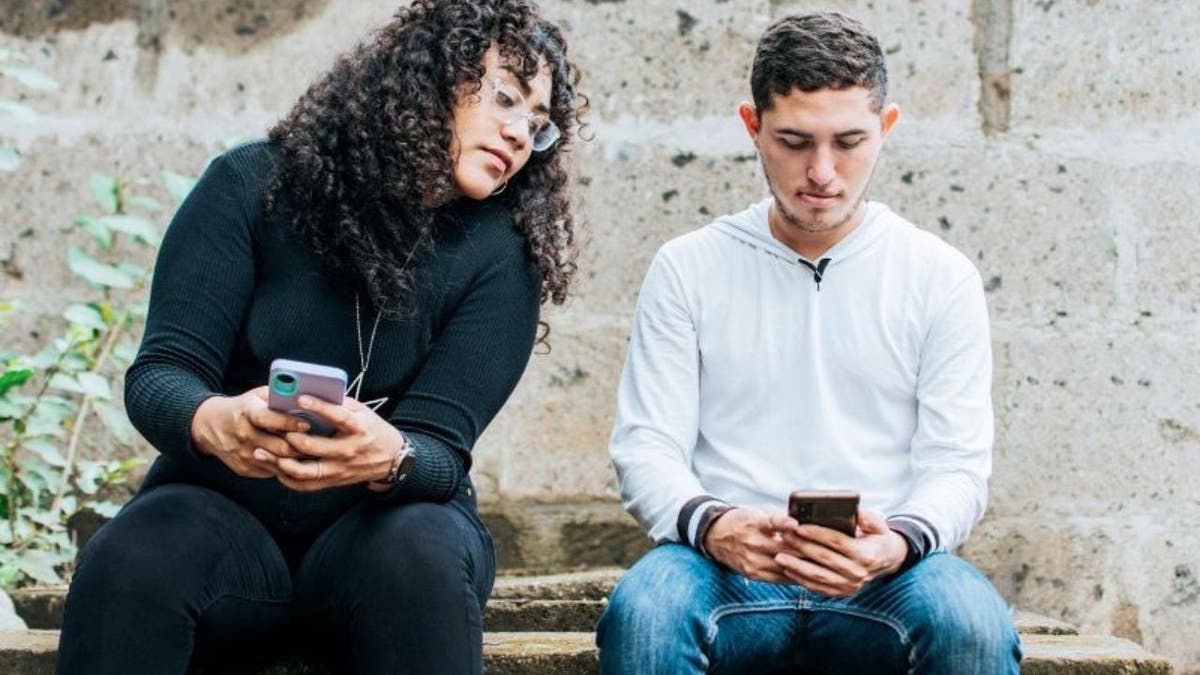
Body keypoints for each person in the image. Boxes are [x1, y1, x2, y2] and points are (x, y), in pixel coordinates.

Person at [55, 1, 583, 673]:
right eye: (505, 99)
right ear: (429, 78)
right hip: (221, 508)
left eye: (538, 127)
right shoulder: (250, 185)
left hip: (382, 529)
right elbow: (161, 374)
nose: (517, 134)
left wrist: (391, 455)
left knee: (420, 554)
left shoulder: (504, 253)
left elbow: (442, 451)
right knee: (130, 558)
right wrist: (215, 418)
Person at [597, 11, 1021, 675]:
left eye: (848, 141)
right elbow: (646, 445)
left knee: (969, 621)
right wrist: (713, 524)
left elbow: (959, 466)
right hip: (722, 567)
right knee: (647, 611)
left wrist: (898, 543)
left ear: (886, 129)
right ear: (752, 126)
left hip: (884, 574)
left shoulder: (939, 275)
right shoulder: (689, 266)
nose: (822, 170)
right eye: (794, 141)